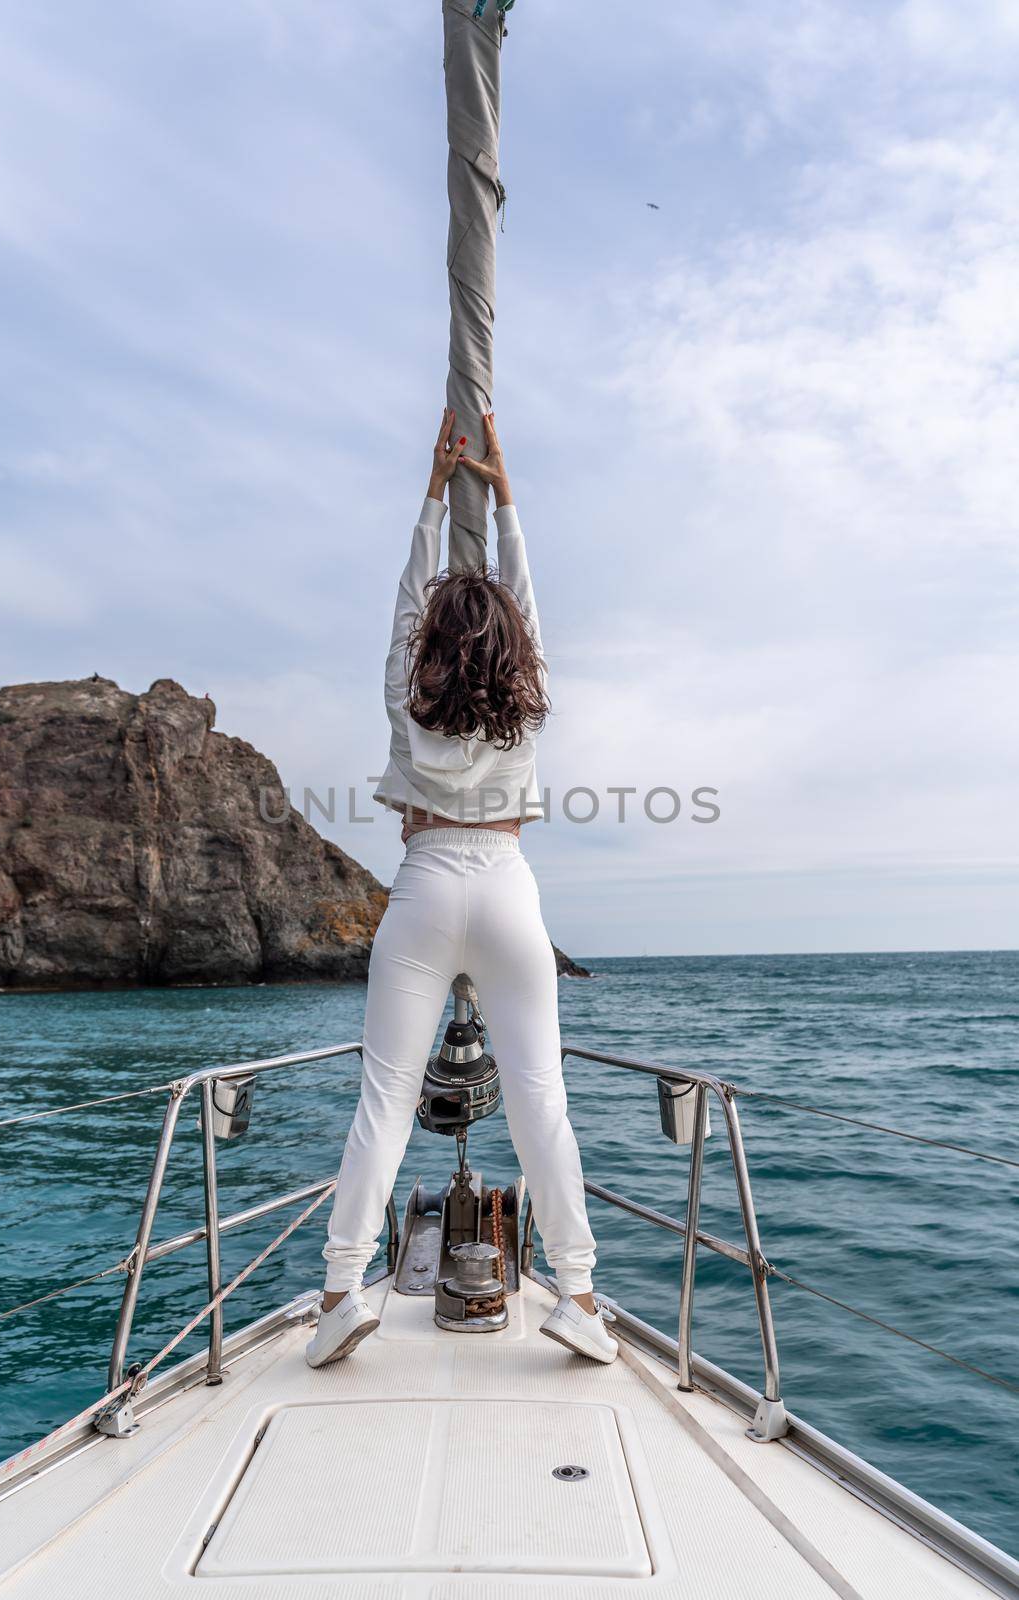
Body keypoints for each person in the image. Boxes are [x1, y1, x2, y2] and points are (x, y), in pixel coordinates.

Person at [306, 409, 616, 1368]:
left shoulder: (407, 691)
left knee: (385, 1102)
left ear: (432, 639)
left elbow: (407, 598)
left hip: (425, 886)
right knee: (541, 1103)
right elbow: (520, 600)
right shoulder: (528, 709)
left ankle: (338, 1294)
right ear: (514, 649)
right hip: (509, 893)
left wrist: (435, 492)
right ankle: (579, 1298)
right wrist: (507, 499)